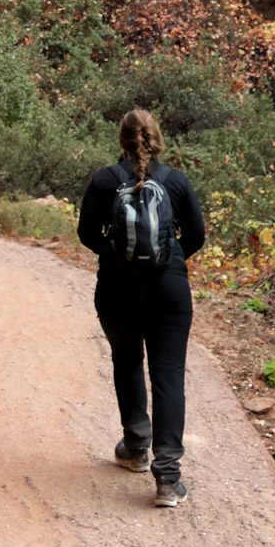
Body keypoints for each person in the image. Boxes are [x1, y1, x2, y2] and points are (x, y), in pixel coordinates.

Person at [77, 108, 205, 507]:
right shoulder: (176, 181)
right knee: (168, 375)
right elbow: (197, 235)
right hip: (169, 288)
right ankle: (168, 478)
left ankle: (135, 447)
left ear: (122, 140)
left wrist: (115, 255)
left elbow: (85, 232)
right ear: (157, 139)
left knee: (127, 360)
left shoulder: (103, 180)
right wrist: (170, 256)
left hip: (117, 287)